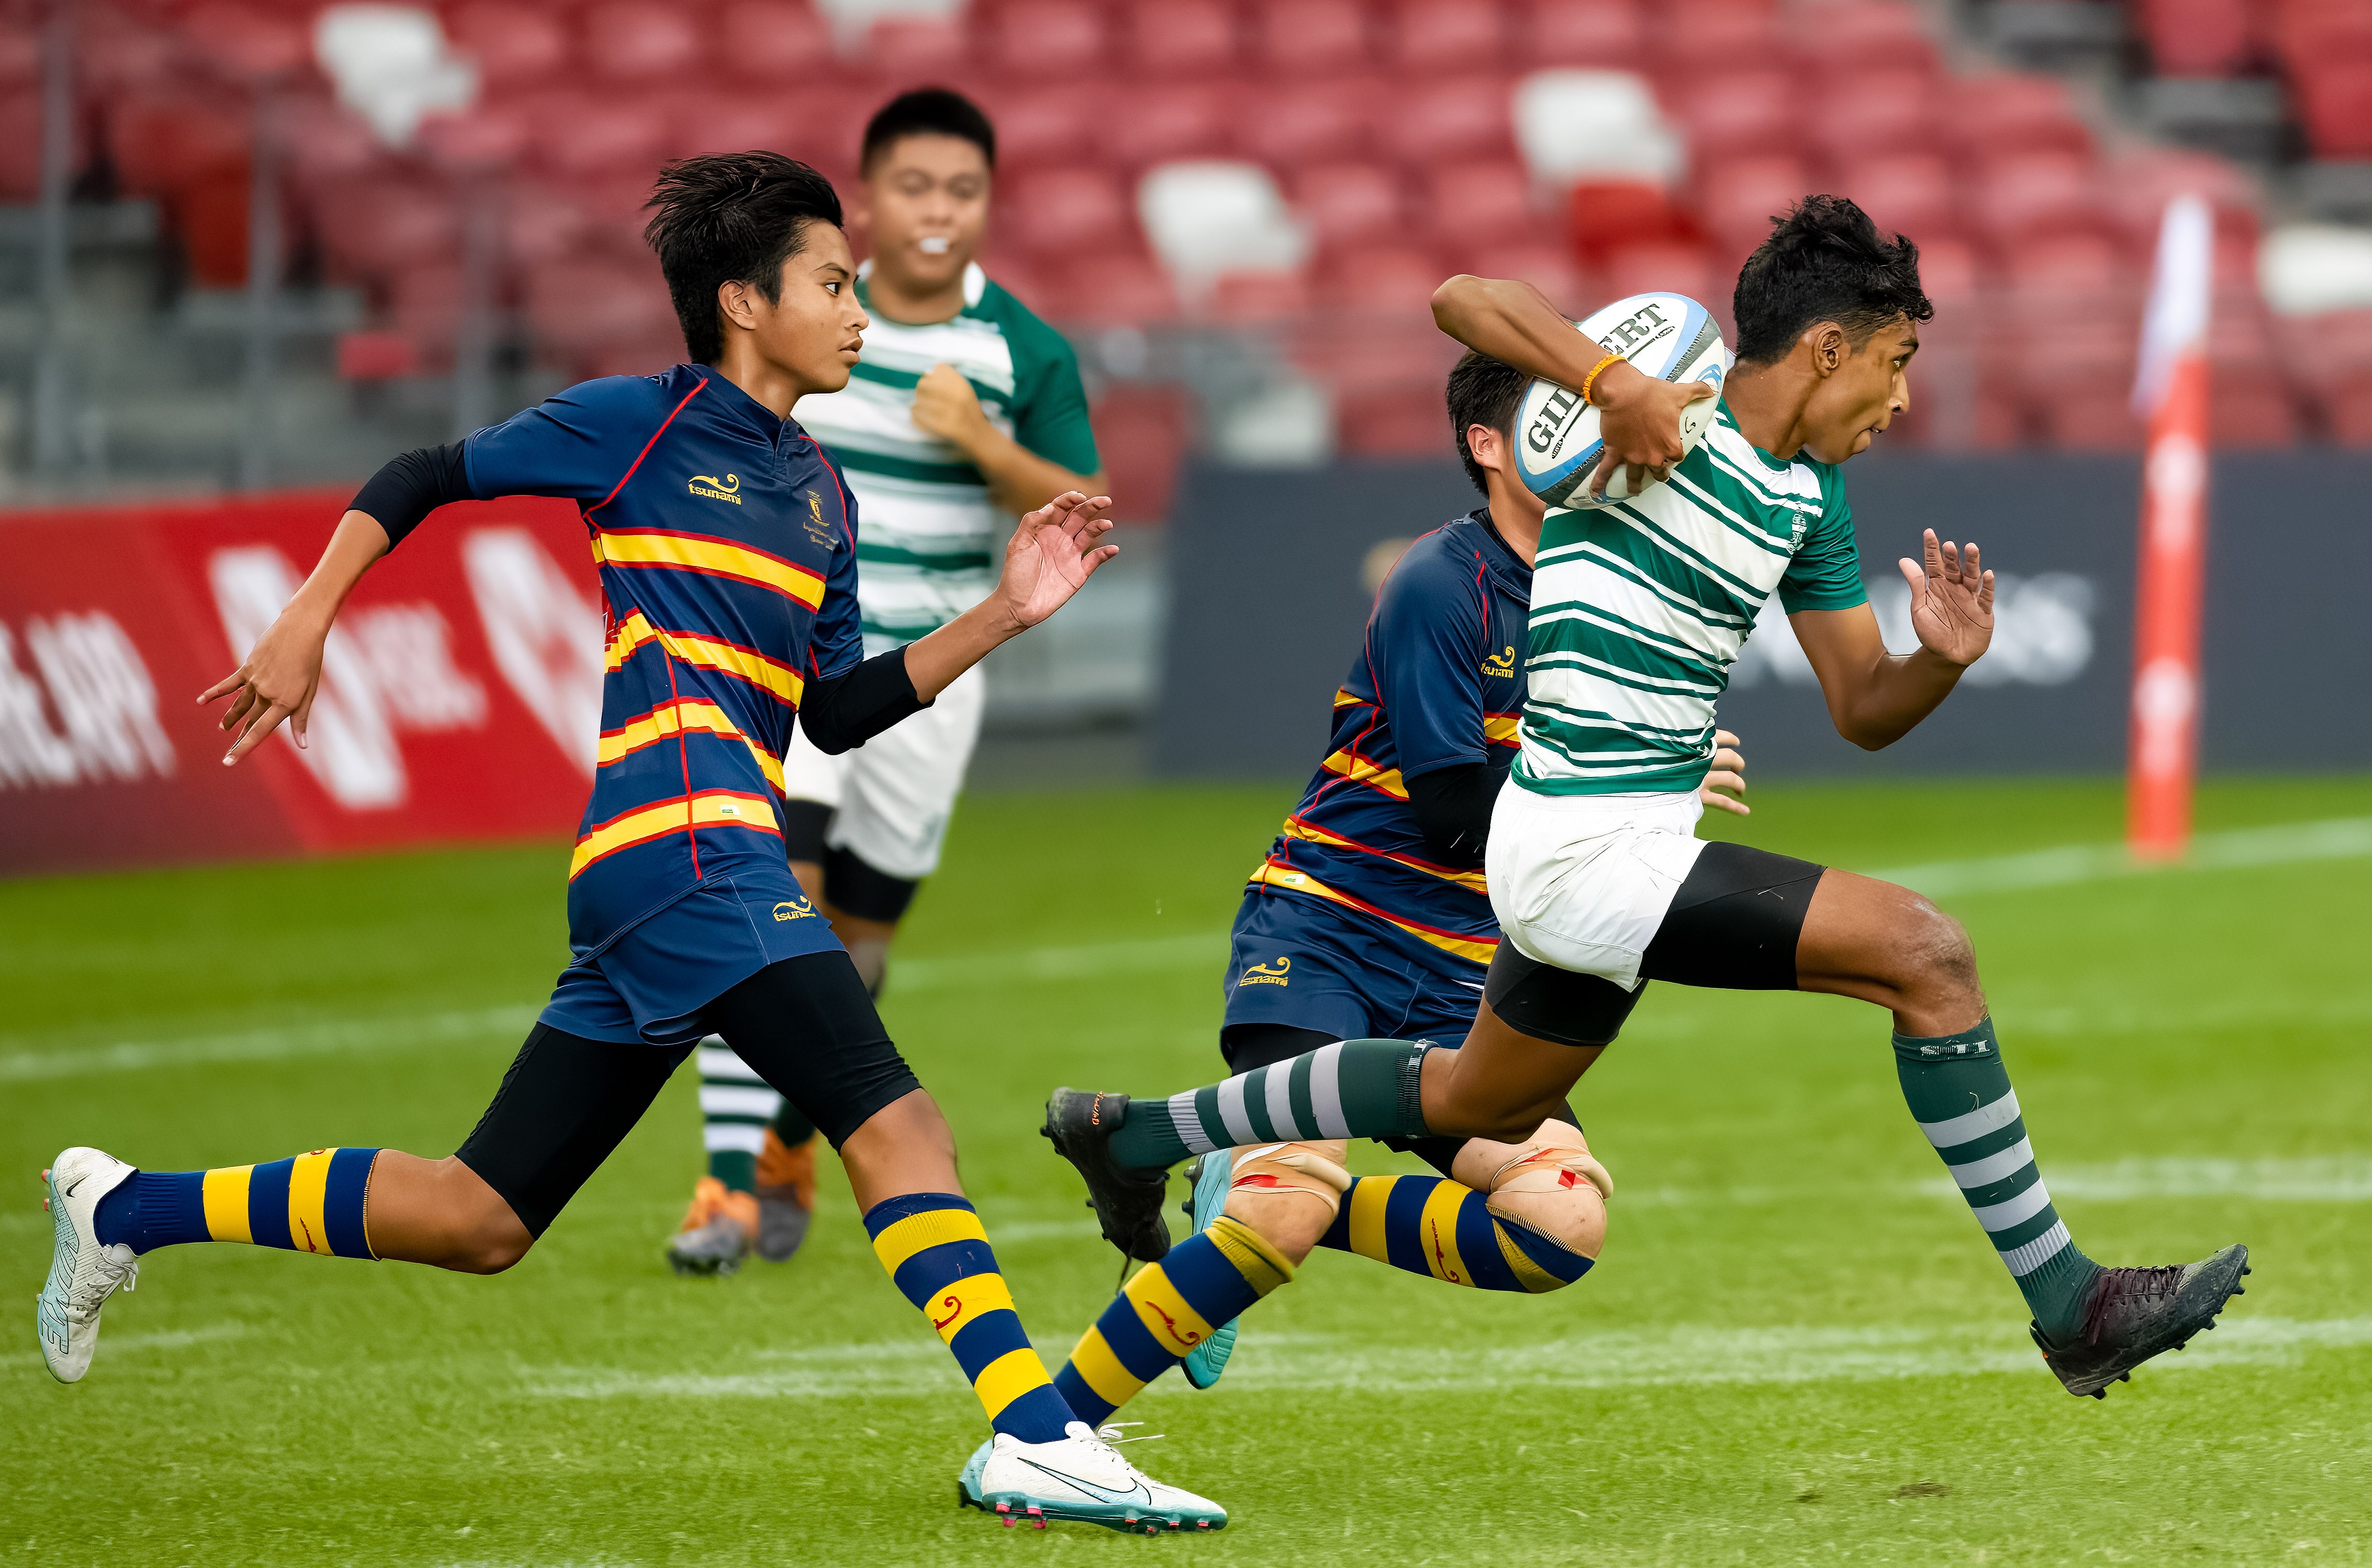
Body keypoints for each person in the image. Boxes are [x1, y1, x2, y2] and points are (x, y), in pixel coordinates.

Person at [36, 152, 1225, 1535]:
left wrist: (1007, 613)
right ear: (741, 301)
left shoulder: (822, 498)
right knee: (896, 1119)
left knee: (481, 1216)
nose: (859, 312)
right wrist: (309, 613)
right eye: (833, 284)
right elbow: (427, 470)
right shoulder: (638, 429)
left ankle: (127, 1206)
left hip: (671, 876)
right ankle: (1032, 1432)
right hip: (688, 854)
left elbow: (834, 714)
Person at [1043, 197, 2248, 1403]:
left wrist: (1937, 658)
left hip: (1617, 852)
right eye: (1895, 362)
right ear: (1828, 348)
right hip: (1578, 848)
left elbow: (1861, 706)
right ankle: (2067, 1302)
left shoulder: (1812, 501)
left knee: (1472, 1097)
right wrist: (1605, 378)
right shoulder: (1666, 409)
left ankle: (1136, 1133)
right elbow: (1464, 299)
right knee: (1926, 954)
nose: (1902, 400)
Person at [1035, 349, 1753, 1434]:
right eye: (1557, 411)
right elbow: (1455, 817)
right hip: (1329, 933)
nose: (1590, 427)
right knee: (1279, 1215)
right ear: (1487, 446)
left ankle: (1255, 1180)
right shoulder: (1438, 582)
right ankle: (1047, 1433)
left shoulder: (1609, 586)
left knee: (1558, 1231)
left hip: (1467, 970)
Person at [671, 89, 1108, 1275]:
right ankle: (721, 1181)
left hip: (933, 679)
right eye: (914, 187)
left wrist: (977, 439)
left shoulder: (1021, 349)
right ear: (867, 199)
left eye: (962, 191)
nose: (937, 210)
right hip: (793, 664)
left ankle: (788, 1141)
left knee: (855, 954)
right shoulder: (809, 310)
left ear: (987, 206)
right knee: (766, 907)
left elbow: (1079, 508)